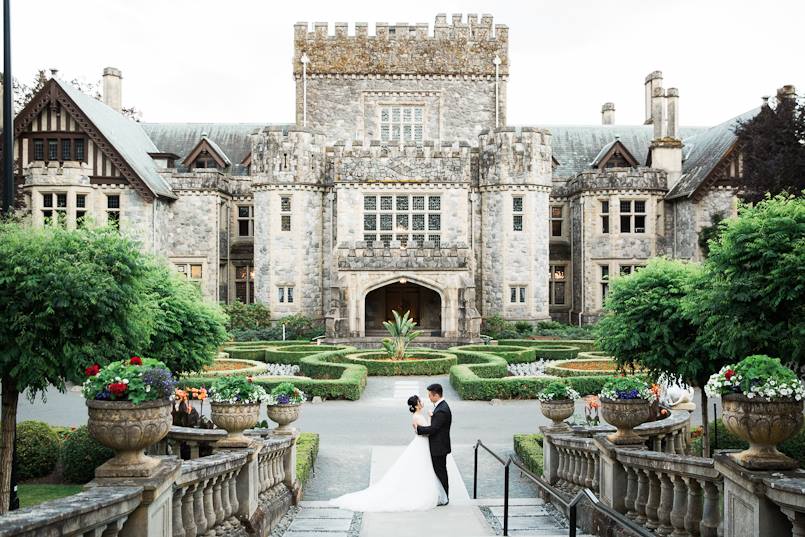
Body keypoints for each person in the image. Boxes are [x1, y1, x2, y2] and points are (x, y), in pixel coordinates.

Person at [329, 394, 448, 511]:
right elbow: (425, 431)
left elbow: (427, 428)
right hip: (421, 444)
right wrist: (429, 421)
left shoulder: (419, 415)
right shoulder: (417, 417)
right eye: (420, 401)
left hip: (423, 444)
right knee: (421, 468)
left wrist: (430, 418)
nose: (422, 402)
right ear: (416, 406)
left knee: (423, 468)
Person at [416, 383, 452, 505]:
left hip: (439, 447)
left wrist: (418, 429)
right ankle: (443, 496)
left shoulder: (442, 410)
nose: (429, 398)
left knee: (440, 472)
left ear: (436, 395)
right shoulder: (441, 407)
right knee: (440, 471)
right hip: (440, 446)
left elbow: (433, 429)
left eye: (430, 395)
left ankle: (444, 498)